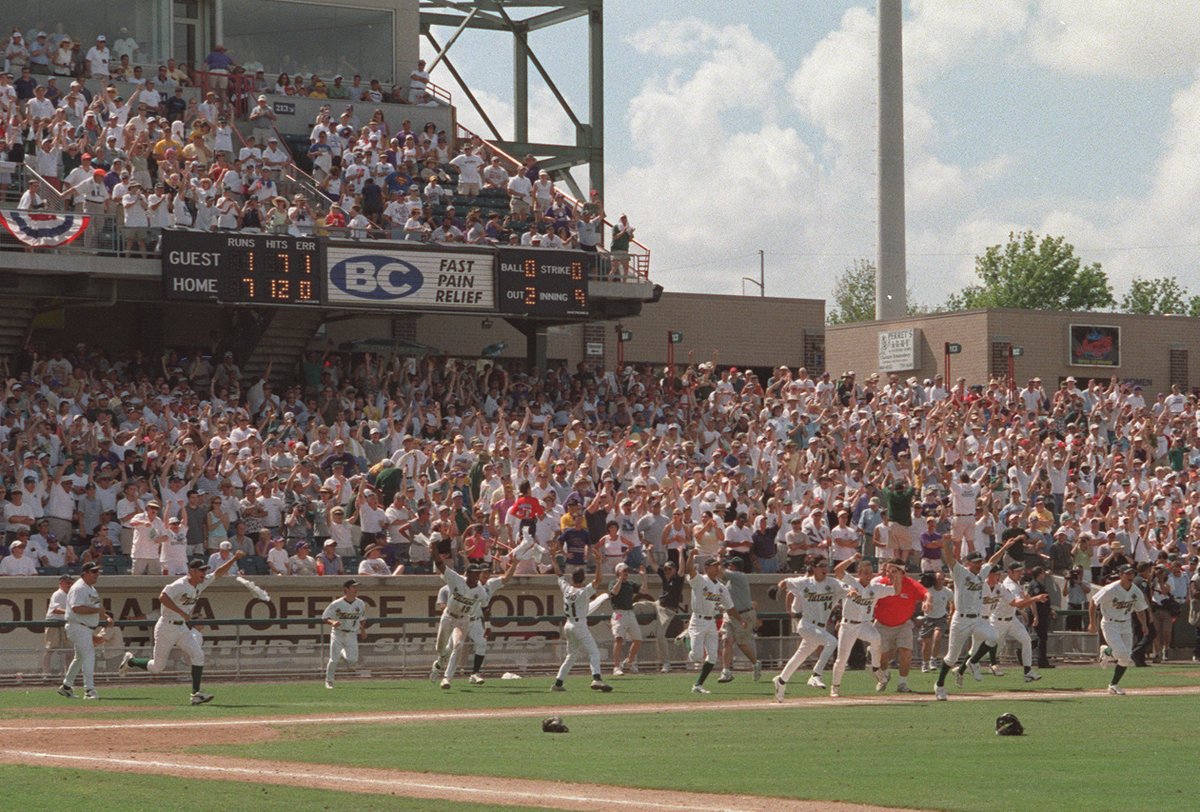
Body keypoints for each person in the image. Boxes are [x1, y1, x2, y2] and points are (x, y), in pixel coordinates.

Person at [118, 553, 244, 705]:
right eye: (201, 570)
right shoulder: (180, 584)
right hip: (166, 626)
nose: (204, 573)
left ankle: (196, 694)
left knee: (198, 655)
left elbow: (218, 573)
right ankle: (131, 661)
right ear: (191, 571)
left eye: (204, 570)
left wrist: (234, 559)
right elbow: (162, 597)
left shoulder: (201, 583)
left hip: (181, 628)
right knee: (158, 667)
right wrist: (182, 612)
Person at [934, 537, 1017, 700]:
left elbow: (992, 561)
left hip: (977, 619)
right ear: (968, 563)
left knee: (993, 636)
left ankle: (973, 662)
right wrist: (946, 545)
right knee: (952, 657)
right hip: (961, 619)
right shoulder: (960, 572)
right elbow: (950, 559)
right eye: (976, 562)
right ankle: (940, 684)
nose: (979, 564)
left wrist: (1004, 547)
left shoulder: (982, 574)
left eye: (980, 562)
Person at [430, 550, 516, 688]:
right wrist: (434, 547)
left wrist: (488, 625)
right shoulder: (455, 582)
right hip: (449, 616)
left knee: (460, 646)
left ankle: (449, 677)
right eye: (478, 573)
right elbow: (441, 565)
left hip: (466, 619)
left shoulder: (483, 589)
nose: (481, 575)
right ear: (470, 573)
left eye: (482, 573)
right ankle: (440, 661)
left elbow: (486, 608)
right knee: (442, 649)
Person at [772, 556, 845, 701]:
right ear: (813, 568)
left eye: (827, 565)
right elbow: (785, 582)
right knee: (832, 642)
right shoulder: (804, 582)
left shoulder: (833, 583)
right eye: (821, 565)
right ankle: (816, 675)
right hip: (806, 624)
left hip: (820, 628)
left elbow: (848, 589)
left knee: (800, 656)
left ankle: (781, 681)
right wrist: (777, 588)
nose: (825, 568)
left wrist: (853, 592)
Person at [829, 554, 901, 698]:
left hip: (865, 624)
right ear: (859, 573)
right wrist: (851, 559)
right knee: (842, 658)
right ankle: (835, 686)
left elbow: (896, 591)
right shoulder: (851, 582)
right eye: (866, 572)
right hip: (848, 625)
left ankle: (876, 669)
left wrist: (897, 575)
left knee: (876, 638)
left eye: (871, 572)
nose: (869, 575)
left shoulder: (876, 587)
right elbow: (837, 571)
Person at [548, 542, 612, 692]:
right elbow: (598, 581)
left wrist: (552, 557)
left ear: (572, 578)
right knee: (594, 652)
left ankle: (558, 684)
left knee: (571, 656)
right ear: (583, 579)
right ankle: (596, 679)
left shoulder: (567, 588)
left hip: (568, 625)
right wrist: (598, 562)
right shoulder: (583, 592)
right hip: (579, 625)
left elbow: (558, 574)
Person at [1089, 564, 1152, 695]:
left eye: (1132, 573)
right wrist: (1092, 623)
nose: (1130, 576)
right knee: (1122, 653)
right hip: (1110, 623)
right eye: (1127, 573)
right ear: (1121, 575)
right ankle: (1106, 651)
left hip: (1126, 623)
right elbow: (1093, 602)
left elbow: (1140, 609)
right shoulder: (1110, 589)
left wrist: (1144, 625)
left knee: (1126, 658)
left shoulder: (1135, 590)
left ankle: (1113, 685)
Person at [58, 562, 112, 700]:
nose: (96, 574)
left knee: (80, 658)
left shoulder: (91, 589)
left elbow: (96, 607)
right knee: (89, 655)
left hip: (85, 628)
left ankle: (66, 686)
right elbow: (77, 608)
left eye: (97, 572)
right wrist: (98, 611)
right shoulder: (79, 588)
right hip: (77, 626)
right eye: (93, 572)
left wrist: (106, 617)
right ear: (85, 573)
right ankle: (89, 690)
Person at [987, 562, 1047, 683]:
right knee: (989, 649)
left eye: (1021, 571)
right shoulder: (1009, 585)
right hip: (998, 621)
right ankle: (966, 666)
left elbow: (1023, 599)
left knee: (1026, 640)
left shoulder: (1016, 583)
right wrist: (1035, 598)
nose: (1021, 573)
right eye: (1018, 571)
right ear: (1010, 572)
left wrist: (1027, 611)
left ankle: (1028, 672)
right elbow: (1017, 602)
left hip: (1011, 619)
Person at [717, 555, 761, 683]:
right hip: (731, 615)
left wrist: (718, 558)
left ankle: (755, 663)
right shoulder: (730, 581)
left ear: (734, 567)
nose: (728, 566)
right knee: (727, 641)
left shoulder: (739, 576)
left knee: (742, 644)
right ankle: (726, 672)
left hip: (744, 616)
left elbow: (721, 571)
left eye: (730, 565)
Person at [322, 578, 367, 689]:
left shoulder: (360, 603)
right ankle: (329, 681)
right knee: (333, 660)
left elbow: (362, 619)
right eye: (353, 587)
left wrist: (363, 630)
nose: (356, 589)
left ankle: (343, 654)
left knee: (353, 660)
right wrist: (332, 622)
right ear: (346, 589)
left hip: (352, 634)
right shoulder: (337, 603)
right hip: (338, 633)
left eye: (356, 587)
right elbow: (324, 617)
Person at [609, 562, 646, 676]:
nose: (626, 573)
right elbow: (614, 592)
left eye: (626, 571)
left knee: (638, 639)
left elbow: (644, 591)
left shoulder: (631, 583)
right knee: (619, 639)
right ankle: (616, 667)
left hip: (630, 613)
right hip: (619, 613)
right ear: (618, 572)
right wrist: (620, 579)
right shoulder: (613, 582)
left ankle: (629, 661)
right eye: (623, 571)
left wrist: (644, 577)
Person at [652, 558, 684, 672]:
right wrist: (649, 551)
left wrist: (680, 552)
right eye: (665, 569)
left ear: (674, 570)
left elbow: (682, 568)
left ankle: (666, 663)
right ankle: (619, 618)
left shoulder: (678, 580)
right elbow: (654, 565)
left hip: (668, 610)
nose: (667, 571)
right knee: (638, 606)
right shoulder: (665, 577)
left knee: (660, 635)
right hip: (658, 604)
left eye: (669, 569)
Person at [919, 570, 953, 672]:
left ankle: (933, 659)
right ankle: (925, 663)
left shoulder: (947, 591)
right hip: (928, 618)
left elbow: (953, 602)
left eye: (942, 579)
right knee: (927, 642)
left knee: (937, 637)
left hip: (941, 617)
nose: (940, 581)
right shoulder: (928, 589)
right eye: (938, 579)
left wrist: (950, 614)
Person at [43, 575, 73, 679]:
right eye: (67, 583)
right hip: (54, 623)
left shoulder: (71, 594)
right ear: (61, 584)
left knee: (69, 650)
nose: (69, 585)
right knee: (50, 649)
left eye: (71, 583)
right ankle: (46, 674)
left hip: (66, 623)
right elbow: (55, 610)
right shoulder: (57, 594)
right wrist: (71, 612)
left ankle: (68, 675)